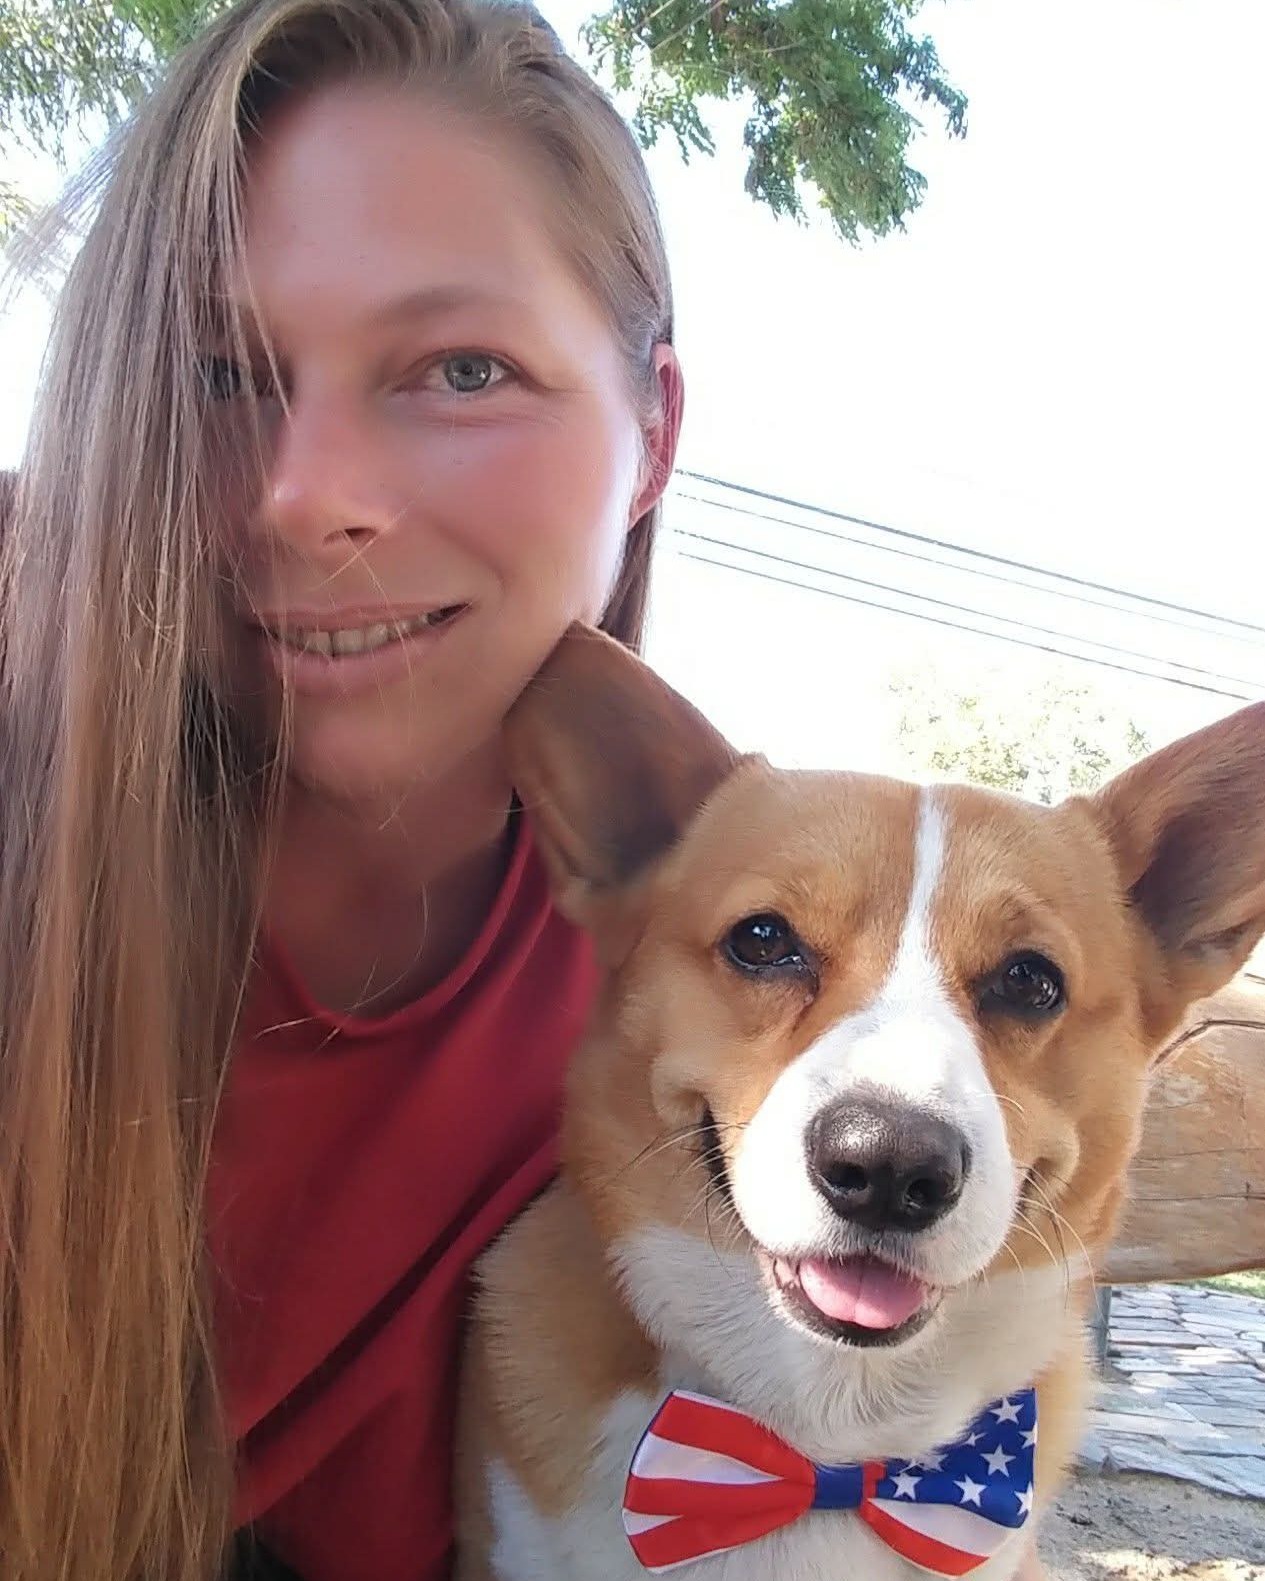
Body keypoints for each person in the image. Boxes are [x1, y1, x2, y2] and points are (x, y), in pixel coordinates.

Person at [0, 2, 1049, 1579]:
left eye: (461, 368)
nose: (305, 494)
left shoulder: (686, 1025)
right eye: (218, 373)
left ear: (652, 434)